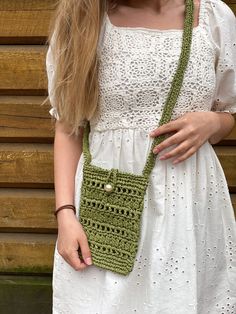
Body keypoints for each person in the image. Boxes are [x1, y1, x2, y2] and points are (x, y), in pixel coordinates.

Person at [45, 0, 236, 313]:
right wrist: (65, 215)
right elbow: (68, 129)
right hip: (105, 212)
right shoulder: (81, 19)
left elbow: (227, 111)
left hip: (189, 206)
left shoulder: (213, 17)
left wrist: (215, 121)